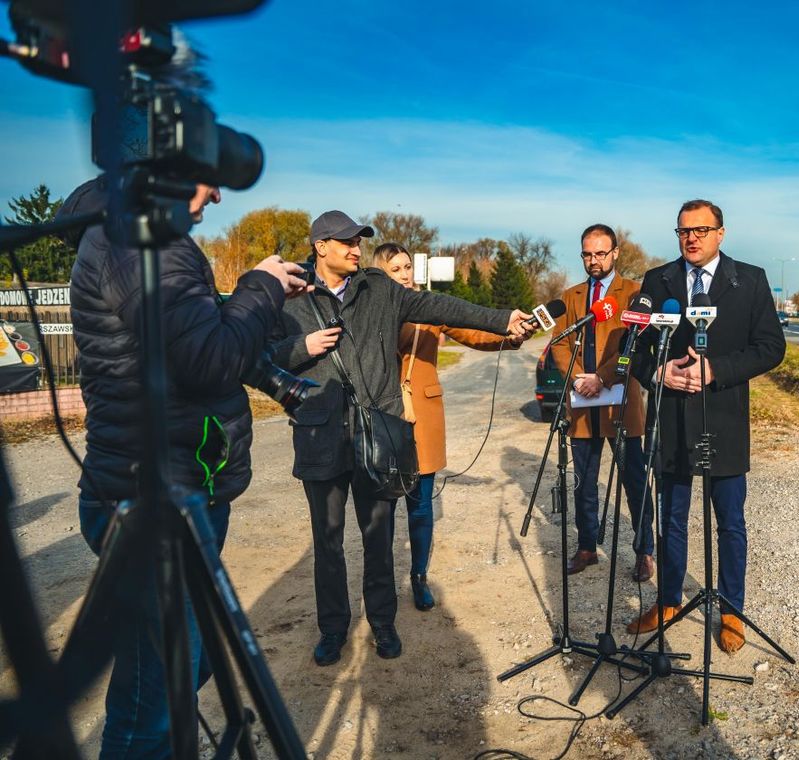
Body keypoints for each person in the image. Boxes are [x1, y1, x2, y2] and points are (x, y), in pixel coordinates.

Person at [63, 177, 309, 758]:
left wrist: (261, 298)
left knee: (183, 667)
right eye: (210, 178)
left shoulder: (148, 239)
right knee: (150, 709)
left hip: (181, 493)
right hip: (153, 504)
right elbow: (207, 358)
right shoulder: (135, 240)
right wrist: (259, 286)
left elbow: (196, 339)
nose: (218, 196)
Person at [271, 211, 535, 666]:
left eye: (359, 241)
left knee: (380, 537)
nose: (357, 249)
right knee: (328, 543)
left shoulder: (380, 289)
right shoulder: (288, 296)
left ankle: (383, 622)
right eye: (347, 242)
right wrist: (303, 349)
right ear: (320, 246)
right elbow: (257, 358)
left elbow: (444, 308)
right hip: (320, 437)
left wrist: (501, 318)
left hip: (380, 435)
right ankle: (332, 630)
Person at [627, 199, 785, 654]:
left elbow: (771, 347)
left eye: (701, 229)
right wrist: (658, 373)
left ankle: (731, 609)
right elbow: (634, 347)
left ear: (721, 233)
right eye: (683, 230)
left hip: (723, 416)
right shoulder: (658, 281)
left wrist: (715, 370)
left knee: (729, 521)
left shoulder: (749, 279)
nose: (691, 237)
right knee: (671, 519)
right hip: (671, 417)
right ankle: (670, 600)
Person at [372, 242, 523, 611]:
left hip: (422, 411)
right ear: (379, 274)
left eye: (407, 267)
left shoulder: (428, 307)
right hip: (382, 413)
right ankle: (383, 581)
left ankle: (418, 577)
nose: (405, 274)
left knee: (420, 505)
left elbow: (472, 331)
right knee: (384, 507)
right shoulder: (371, 308)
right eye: (395, 269)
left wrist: (509, 336)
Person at [548, 223, 655, 581]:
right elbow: (559, 345)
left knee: (633, 479)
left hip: (619, 401)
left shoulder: (636, 293)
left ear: (615, 254)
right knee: (584, 479)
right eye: (587, 254)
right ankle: (586, 546)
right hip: (581, 403)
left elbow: (634, 344)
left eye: (599, 253)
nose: (593, 261)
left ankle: (644, 551)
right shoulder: (571, 296)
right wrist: (579, 377)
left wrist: (603, 378)